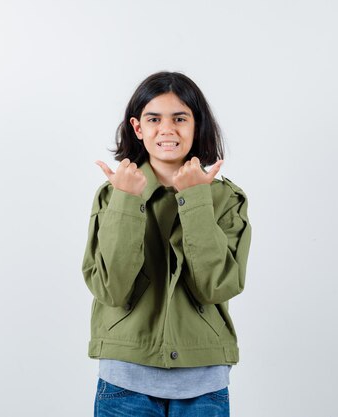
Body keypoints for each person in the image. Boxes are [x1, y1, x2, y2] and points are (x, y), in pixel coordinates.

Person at [82, 71, 252, 416]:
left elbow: (216, 287)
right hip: (125, 381)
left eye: (180, 118)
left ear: (196, 124)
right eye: (154, 118)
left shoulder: (226, 198)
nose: (167, 129)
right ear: (138, 127)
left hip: (204, 384)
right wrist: (127, 201)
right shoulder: (113, 195)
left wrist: (196, 199)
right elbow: (111, 289)